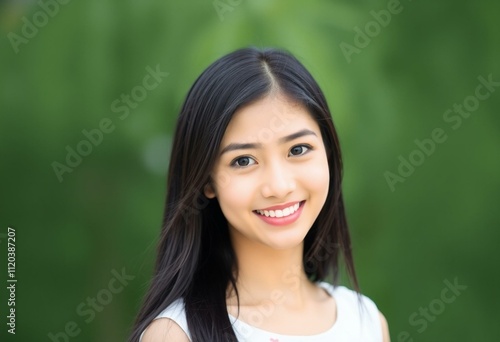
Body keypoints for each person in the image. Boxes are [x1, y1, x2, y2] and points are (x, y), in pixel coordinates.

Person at [129, 47, 390, 342]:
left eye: (298, 150)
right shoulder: (175, 334)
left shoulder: (365, 322)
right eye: (243, 161)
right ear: (207, 180)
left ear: (328, 154)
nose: (278, 186)